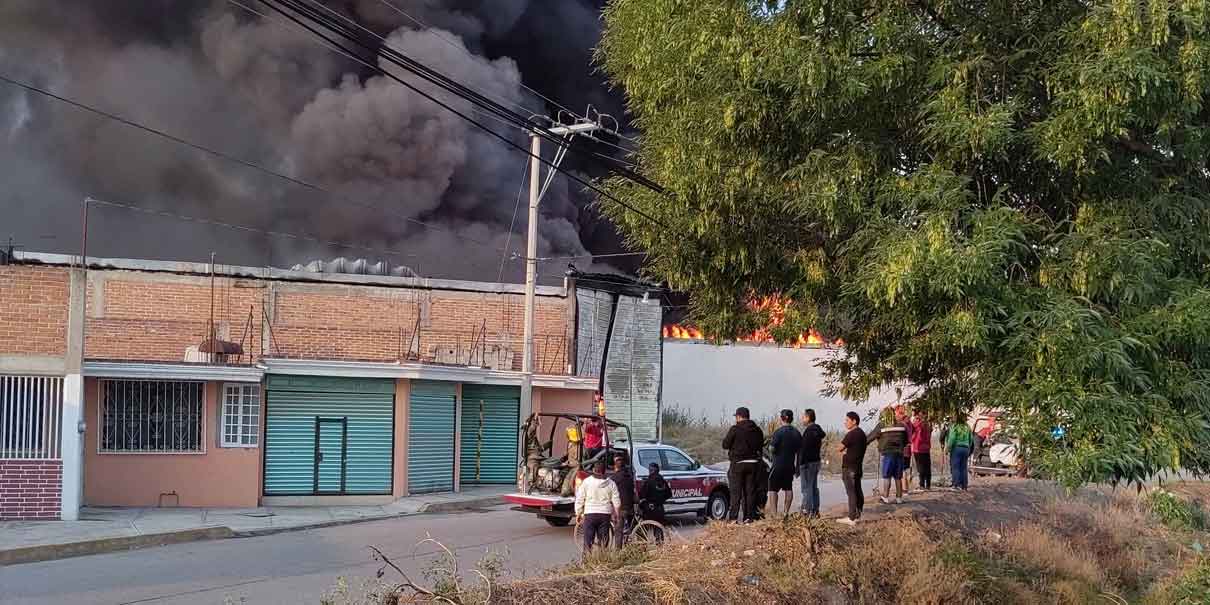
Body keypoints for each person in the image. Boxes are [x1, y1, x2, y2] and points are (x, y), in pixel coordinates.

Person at [722, 406, 764, 522]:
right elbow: (761, 445)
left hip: (738, 463)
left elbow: (725, 445)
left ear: (739, 416)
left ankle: (733, 518)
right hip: (753, 464)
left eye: (736, 417)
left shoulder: (735, 429)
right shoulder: (757, 429)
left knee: (736, 492)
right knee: (749, 491)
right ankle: (749, 518)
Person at [575, 460, 621, 553]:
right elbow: (616, 501)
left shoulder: (586, 482)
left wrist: (578, 513)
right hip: (605, 515)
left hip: (590, 514)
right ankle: (602, 562)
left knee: (588, 541)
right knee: (603, 542)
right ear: (604, 471)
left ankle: (587, 562)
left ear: (593, 470)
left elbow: (580, 499)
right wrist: (617, 514)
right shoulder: (611, 483)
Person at [866, 406, 908, 504]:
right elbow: (906, 441)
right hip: (899, 453)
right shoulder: (902, 426)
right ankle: (899, 498)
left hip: (887, 453)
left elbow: (870, 437)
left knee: (887, 476)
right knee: (898, 476)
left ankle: (885, 497)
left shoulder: (881, 425)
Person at [767, 409, 802, 518]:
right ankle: (786, 513)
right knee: (788, 488)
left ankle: (774, 514)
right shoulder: (797, 433)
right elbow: (800, 452)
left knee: (772, 489)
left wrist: (769, 450)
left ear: (782, 418)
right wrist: (797, 468)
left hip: (777, 465)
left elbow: (772, 448)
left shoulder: (779, 432)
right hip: (790, 465)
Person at [837, 411, 868, 525]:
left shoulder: (852, 434)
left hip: (849, 467)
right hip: (858, 467)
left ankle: (851, 518)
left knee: (851, 492)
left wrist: (844, 453)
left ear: (854, 421)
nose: (845, 423)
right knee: (858, 490)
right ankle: (858, 515)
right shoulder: (862, 434)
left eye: (847, 420)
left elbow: (839, 447)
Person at [799, 408, 826, 516]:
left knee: (806, 488)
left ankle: (807, 510)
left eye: (803, 417)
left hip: (807, 463)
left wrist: (801, 463)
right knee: (813, 486)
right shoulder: (818, 430)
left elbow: (804, 449)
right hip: (816, 461)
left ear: (808, 418)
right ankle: (815, 510)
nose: (802, 419)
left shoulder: (809, 431)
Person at [639, 462, 672, 544]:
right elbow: (669, 494)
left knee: (644, 527)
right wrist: (661, 499)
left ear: (651, 470)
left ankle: (643, 545)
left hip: (649, 509)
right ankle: (660, 545)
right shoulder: (663, 481)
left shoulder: (648, 481)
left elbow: (642, 494)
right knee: (658, 527)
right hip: (660, 508)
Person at [609, 453, 636, 548]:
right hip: (630, 506)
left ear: (615, 467)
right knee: (631, 527)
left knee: (618, 531)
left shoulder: (614, 478)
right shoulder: (629, 476)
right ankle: (632, 545)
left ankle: (618, 551)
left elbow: (610, 494)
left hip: (621, 508)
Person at [946, 414, 974, 491]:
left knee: (956, 467)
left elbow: (952, 438)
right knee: (964, 467)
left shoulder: (955, 426)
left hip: (957, 448)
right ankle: (964, 486)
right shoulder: (967, 426)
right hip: (966, 448)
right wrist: (968, 447)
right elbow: (971, 439)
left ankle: (956, 485)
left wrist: (948, 448)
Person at [909, 411, 933, 492]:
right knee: (927, 466)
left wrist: (911, 441)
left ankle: (922, 485)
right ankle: (928, 485)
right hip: (926, 448)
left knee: (920, 467)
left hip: (918, 448)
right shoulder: (927, 425)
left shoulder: (917, 425)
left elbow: (912, 436)